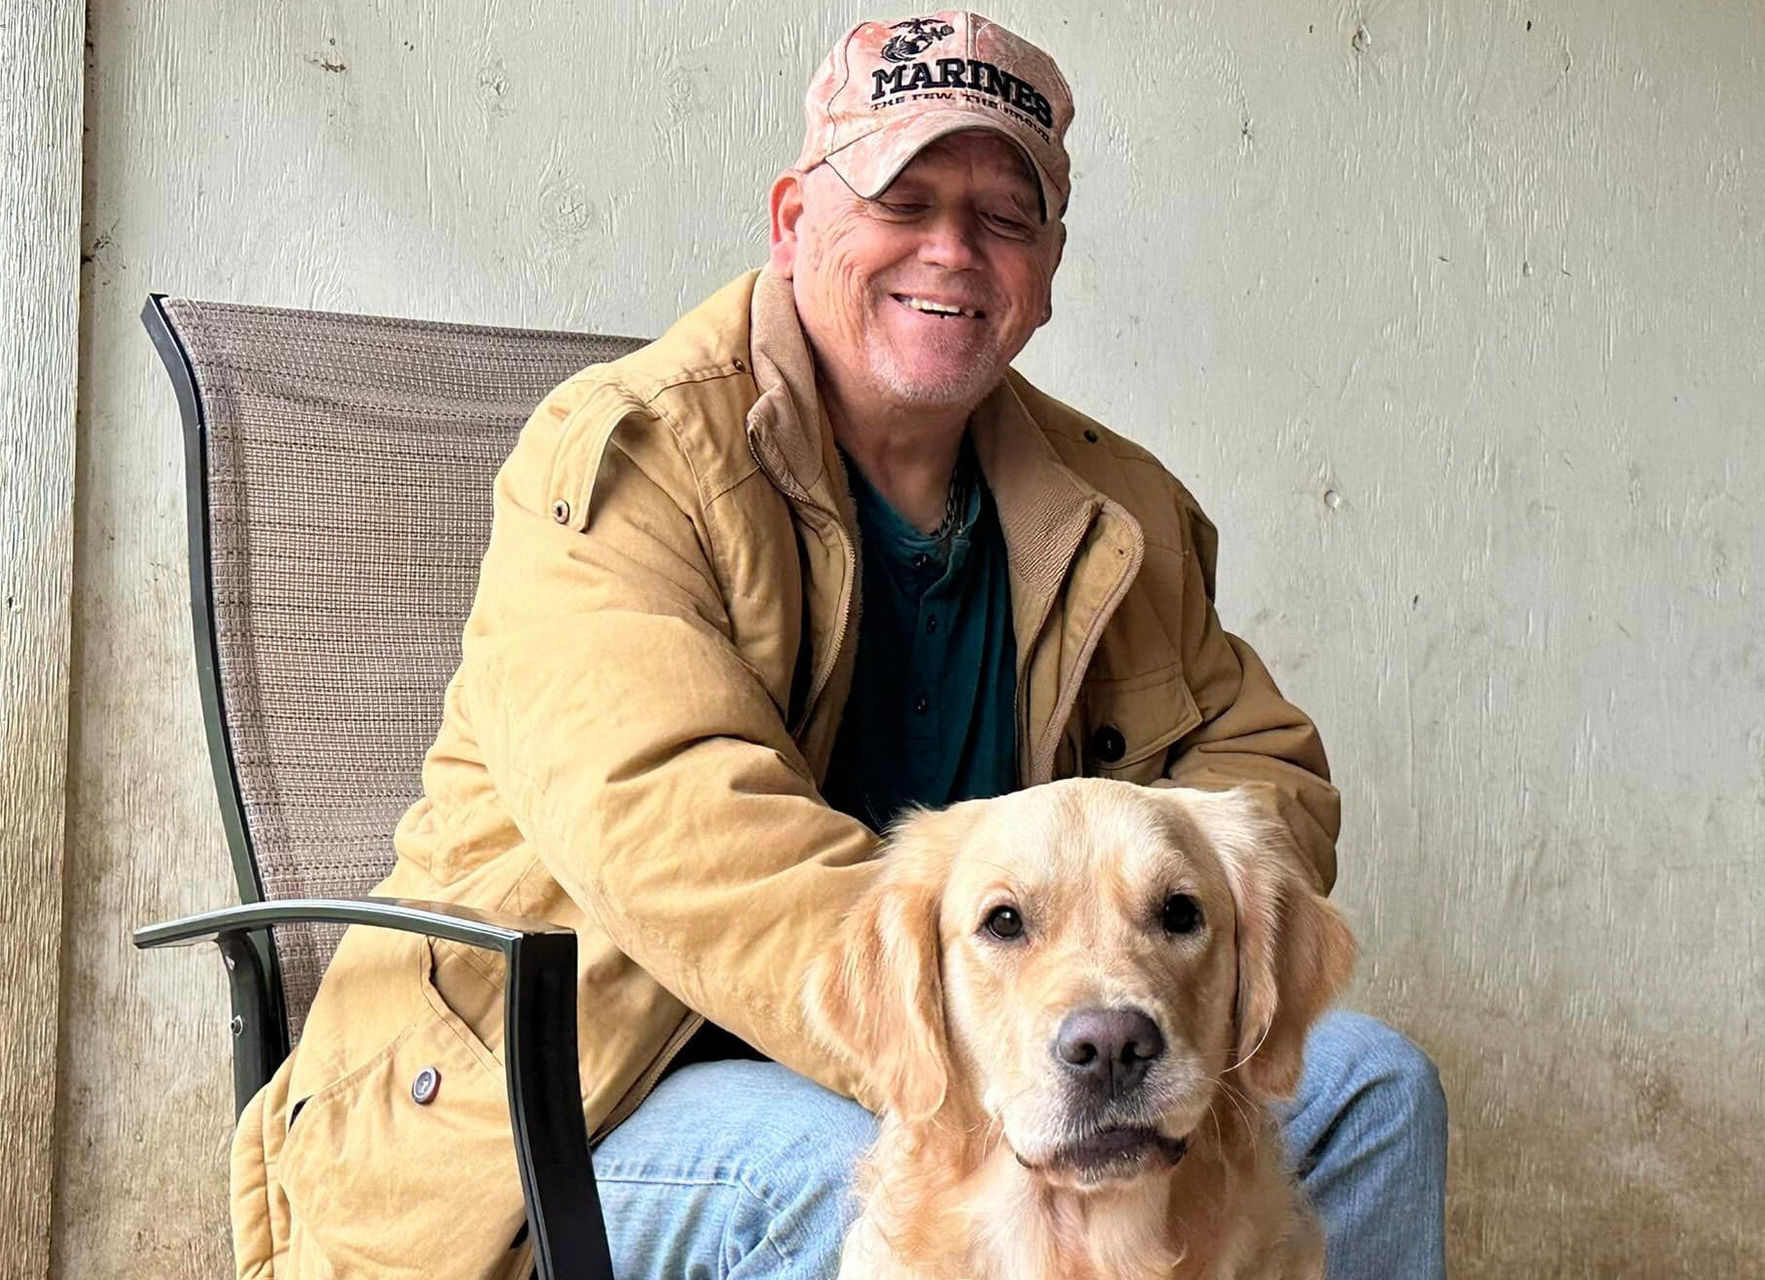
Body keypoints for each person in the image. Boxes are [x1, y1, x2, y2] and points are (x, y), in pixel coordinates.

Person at [229, 12, 1446, 1280]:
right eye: (902, 197)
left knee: (1374, 1090)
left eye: (1002, 216)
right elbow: (674, 829)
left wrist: (1176, 935)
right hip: (582, 1091)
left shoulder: (1112, 510)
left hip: (997, 1045)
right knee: (872, 1192)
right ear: (795, 218)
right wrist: (972, 1050)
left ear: (1049, 263)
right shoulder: (624, 460)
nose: (952, 250)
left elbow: (1262, 772)